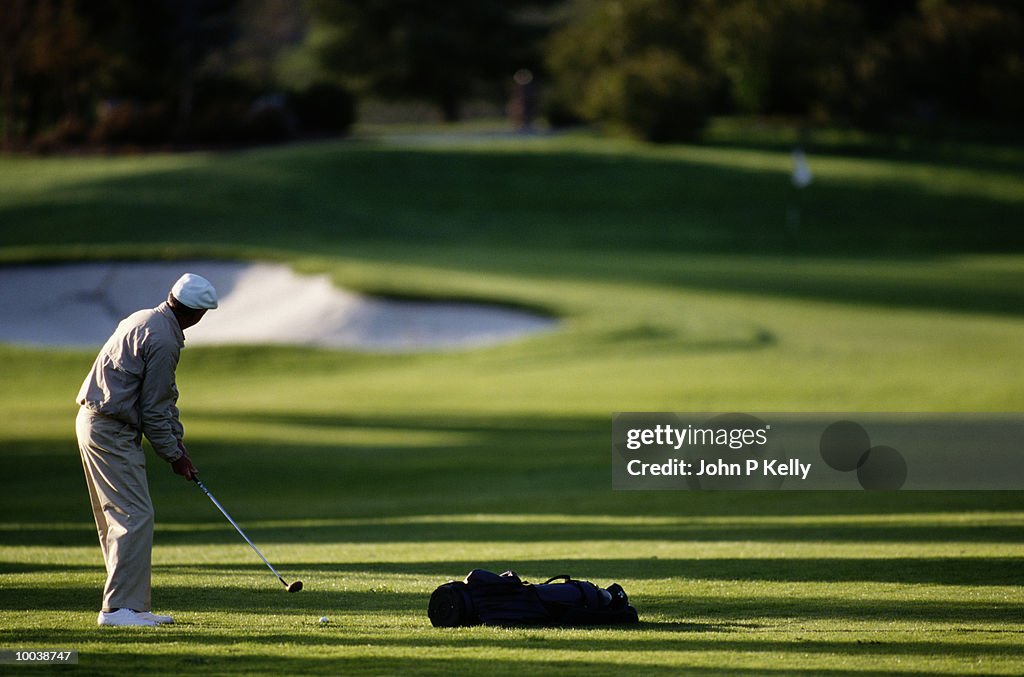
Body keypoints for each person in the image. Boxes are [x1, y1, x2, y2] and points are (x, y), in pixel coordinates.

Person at [76, 273, 218, 627]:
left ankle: (131, 606)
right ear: (197, 314)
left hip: (97, 423)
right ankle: (118, 610)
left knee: (120, 518)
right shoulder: (164, 340)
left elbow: (162, 399)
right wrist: (174, 455)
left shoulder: (144, 318)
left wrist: (176, 441)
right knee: (134, 516)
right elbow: (154, 410)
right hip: (110, 428)